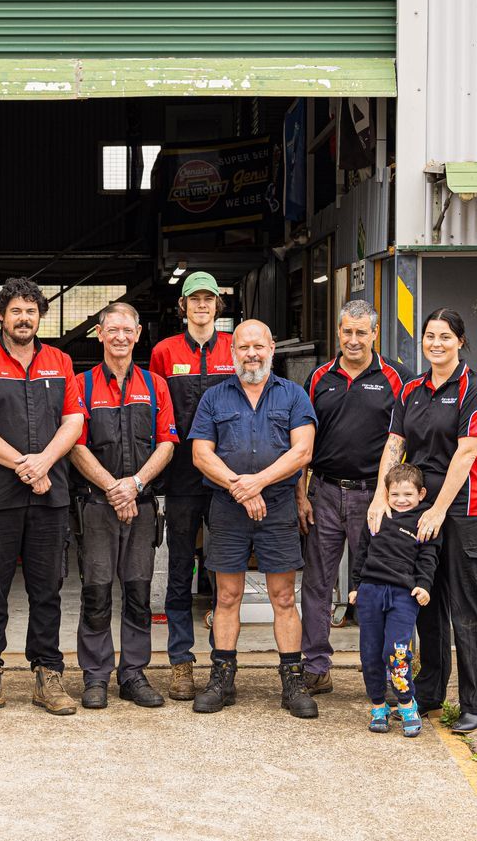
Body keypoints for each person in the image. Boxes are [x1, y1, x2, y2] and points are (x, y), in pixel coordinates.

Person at [0, 277, 87, 717]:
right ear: (0, 316)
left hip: (50, 496)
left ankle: (48, 673)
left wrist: (43, 463)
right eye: (16, 310)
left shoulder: (60, 361)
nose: (24, 318)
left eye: (31, 310)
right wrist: (23, 466)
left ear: (40, 316)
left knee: (48, 589)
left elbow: (73, 422)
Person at [370, 308, 477, 732]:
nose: (436, 344)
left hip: (463, 511)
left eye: (445, 336)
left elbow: (466, 452)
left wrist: (440, 510)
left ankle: (476, 702)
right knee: (426, 602)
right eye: (429, 336)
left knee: (467, 609)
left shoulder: (475, 387)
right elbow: (395, 443)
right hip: (422, 510)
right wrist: (379, 497)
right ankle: (429, 694)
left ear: (460, 341)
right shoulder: (412, 390)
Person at [187, 319, 319, 719]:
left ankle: (293, 681)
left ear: (272, 348)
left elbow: (302, 453)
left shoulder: (293, 396)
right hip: (228, 508)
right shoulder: (214, 398)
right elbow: (201, 454)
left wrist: (257, 484)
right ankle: (222, 679)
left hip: (277, 506)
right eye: (244, 347)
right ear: (232, 352)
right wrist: (239, 489)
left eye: (258, 346)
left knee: (283, 597)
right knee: (226, 596)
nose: (252, 354)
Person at [67, 301, 177, 709]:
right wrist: (114, 487)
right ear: (99, 333)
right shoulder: (81, 385)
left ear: (137, 334)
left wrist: (134, 484)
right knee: (95, 592)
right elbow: (74, 445)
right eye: (111, 329)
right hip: (96, 505)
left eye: (127, 330)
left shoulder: (155, 385)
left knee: (138, 591)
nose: (120, 337)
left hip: (143, 504)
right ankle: (95, 676)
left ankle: (132, 673)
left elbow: (167, 443)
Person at [297, 299, 409, 694]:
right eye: (347, 331)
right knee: (316, 583)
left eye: (362, 332)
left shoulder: (397, 378)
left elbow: (402, 442)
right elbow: (302, 441)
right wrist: (301, 494)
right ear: (339, 332)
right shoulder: (319, 377)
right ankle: (315, 666)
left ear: (375, 334)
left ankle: (380, 673)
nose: (354, 340)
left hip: (372, 498)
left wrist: (387, 497)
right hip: (324, 492)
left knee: (378, 586)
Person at [148, 271, 236, 700]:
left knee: (224, 571)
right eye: (194, 299)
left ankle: (223, 661)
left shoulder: (234, 348)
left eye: (208, 299)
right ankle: (181, 663)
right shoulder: (164, 352)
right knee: (181, 569)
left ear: (217, 305)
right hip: (182, 477)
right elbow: (156, 407)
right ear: (183, 306)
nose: (202, 306)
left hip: (224, 477)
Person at [348, 463, 440, 737]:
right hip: (371, 591)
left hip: (403, 595)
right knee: (371, 654)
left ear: (421, 494)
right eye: (395, 494)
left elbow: (428, 557)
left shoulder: (424, 520)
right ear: (385, 494)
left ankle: (406, 703)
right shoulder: (378, 515)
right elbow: (361, 552)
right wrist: (355, 586)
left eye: (408, 495)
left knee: (396, 652)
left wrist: (424, 585)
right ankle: (378, 706)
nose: (401, 500)